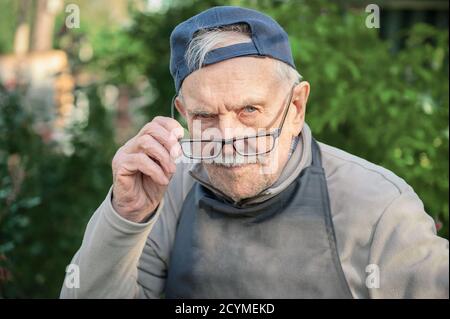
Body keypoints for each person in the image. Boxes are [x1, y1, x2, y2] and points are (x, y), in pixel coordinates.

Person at [60, 6, 449, 299]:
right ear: (182, 114)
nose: (228, 136)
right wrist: (126, 217)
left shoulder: (377, 206)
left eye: (249, 110)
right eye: (205, 115)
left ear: (296, 107)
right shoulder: (165, 191)